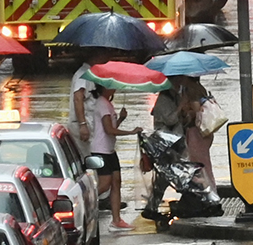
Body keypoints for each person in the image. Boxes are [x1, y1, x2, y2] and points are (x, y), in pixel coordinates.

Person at [91, 84, 142, 231]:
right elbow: (109, 130)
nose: (115, 88)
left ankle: (117, 220)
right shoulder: (101, 104)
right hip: (101, 151)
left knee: (116, 182)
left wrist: (121, 119)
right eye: (111, 86)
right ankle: (83, 201)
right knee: (105, 184)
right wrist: (131, 132)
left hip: (110, 150)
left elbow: (111, 127)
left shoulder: (108, 104)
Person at [142, 79, 186, 221]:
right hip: (166, 145)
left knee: (165, 178)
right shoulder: (164, 99)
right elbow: (170, 120)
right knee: (167, 176)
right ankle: (152, 207)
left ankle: (152, 207)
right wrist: (181, 106)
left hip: (174, 144)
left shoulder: (174, 96)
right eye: (177, 82)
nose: (180, 85)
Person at [68, 53, 110, 157]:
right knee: (87, 157)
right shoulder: (83, 75)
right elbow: (78, 99)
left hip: (88, 122)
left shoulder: (90, 73)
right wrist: (83, 125)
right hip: (82, 124)